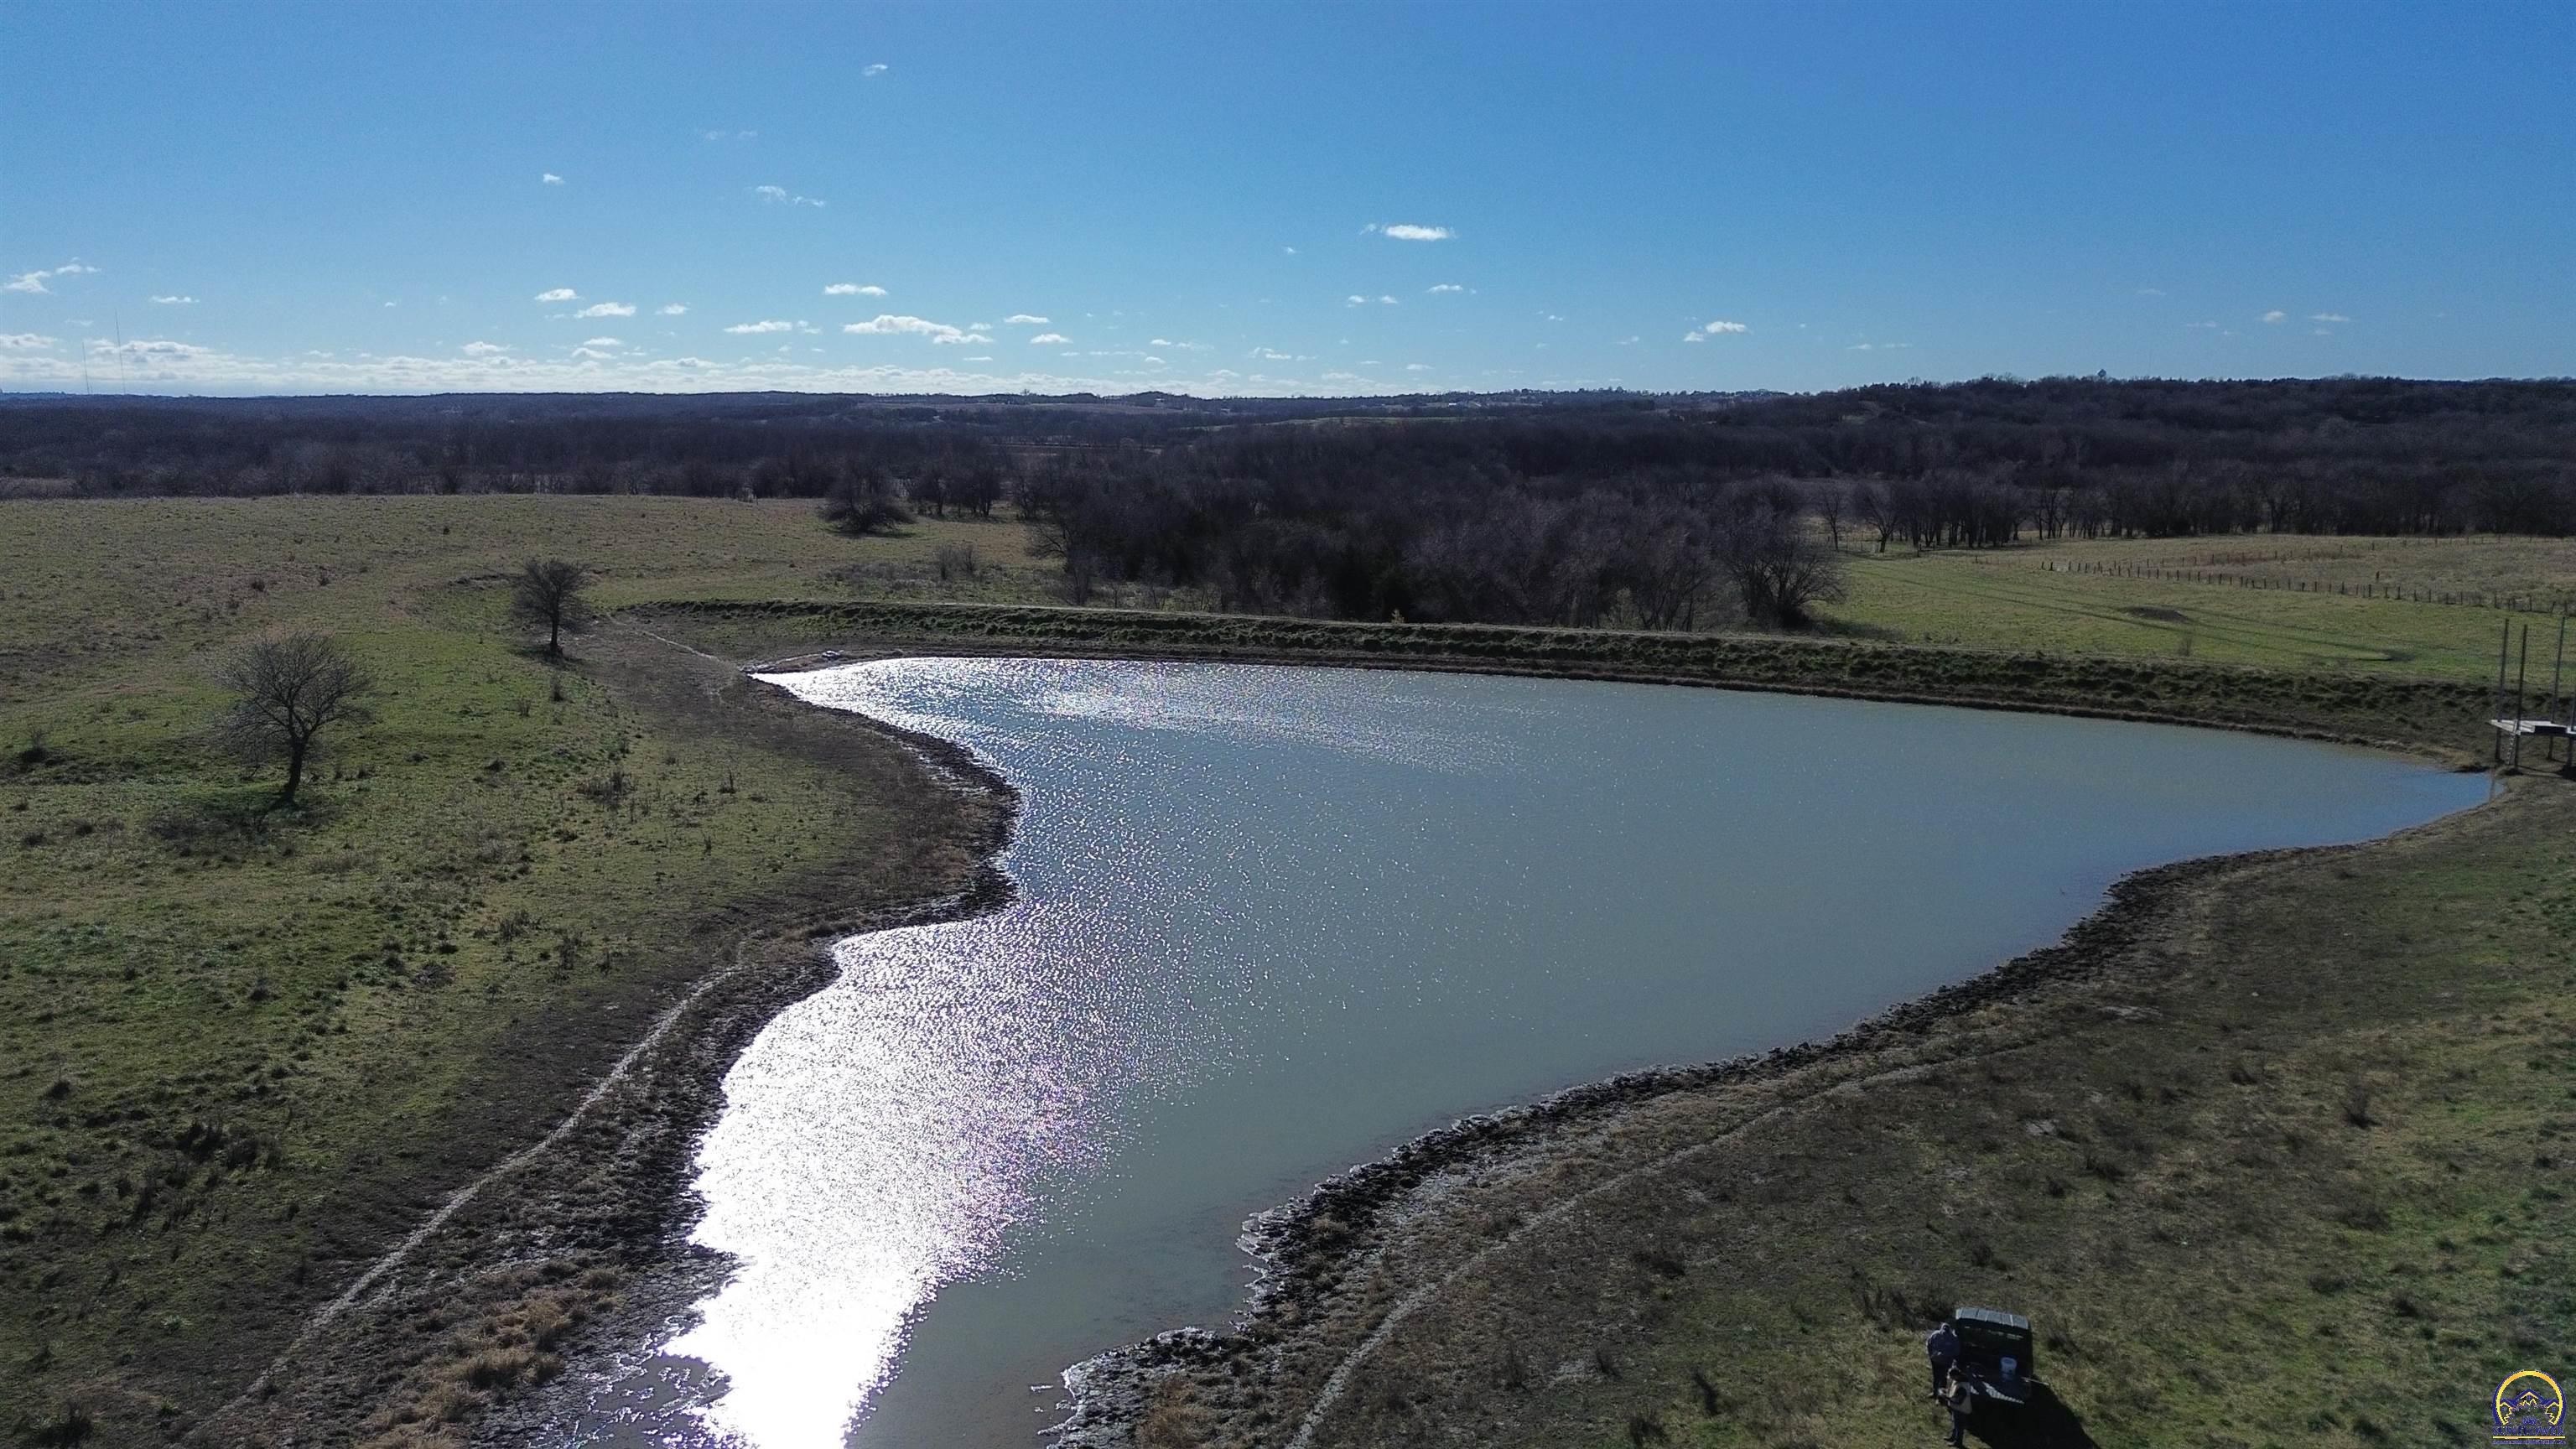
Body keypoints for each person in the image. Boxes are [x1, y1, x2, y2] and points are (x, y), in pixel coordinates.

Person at [1924, 1318, 1960, 1399]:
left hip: (1946, 1362)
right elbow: (1928, 1344)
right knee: (1936, 1377)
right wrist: (1931, 1354)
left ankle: (1942, 1396)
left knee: (1943, 1378)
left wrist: (1945, 1355)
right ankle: (1934, 1393)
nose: (1944, 1333)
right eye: (1943, 1331)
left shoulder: (1954, 1338)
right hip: (1935, 1361)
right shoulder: (1935, 1334)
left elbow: (1956, 1352)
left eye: (1946, 1331)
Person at [1944, 1365, 1976, 1447]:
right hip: (1957, 1408)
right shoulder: (1958, 1380)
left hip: (1961, 1409)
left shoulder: (1963, 1386)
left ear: (1956, 1375)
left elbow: (1958, 1401)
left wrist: (1947, 1398)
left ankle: (1958, 1442)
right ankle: (1953, 1437)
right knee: (1955, 1424)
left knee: (1959, 1427)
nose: (1951, 1378)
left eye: (1951, 1377)